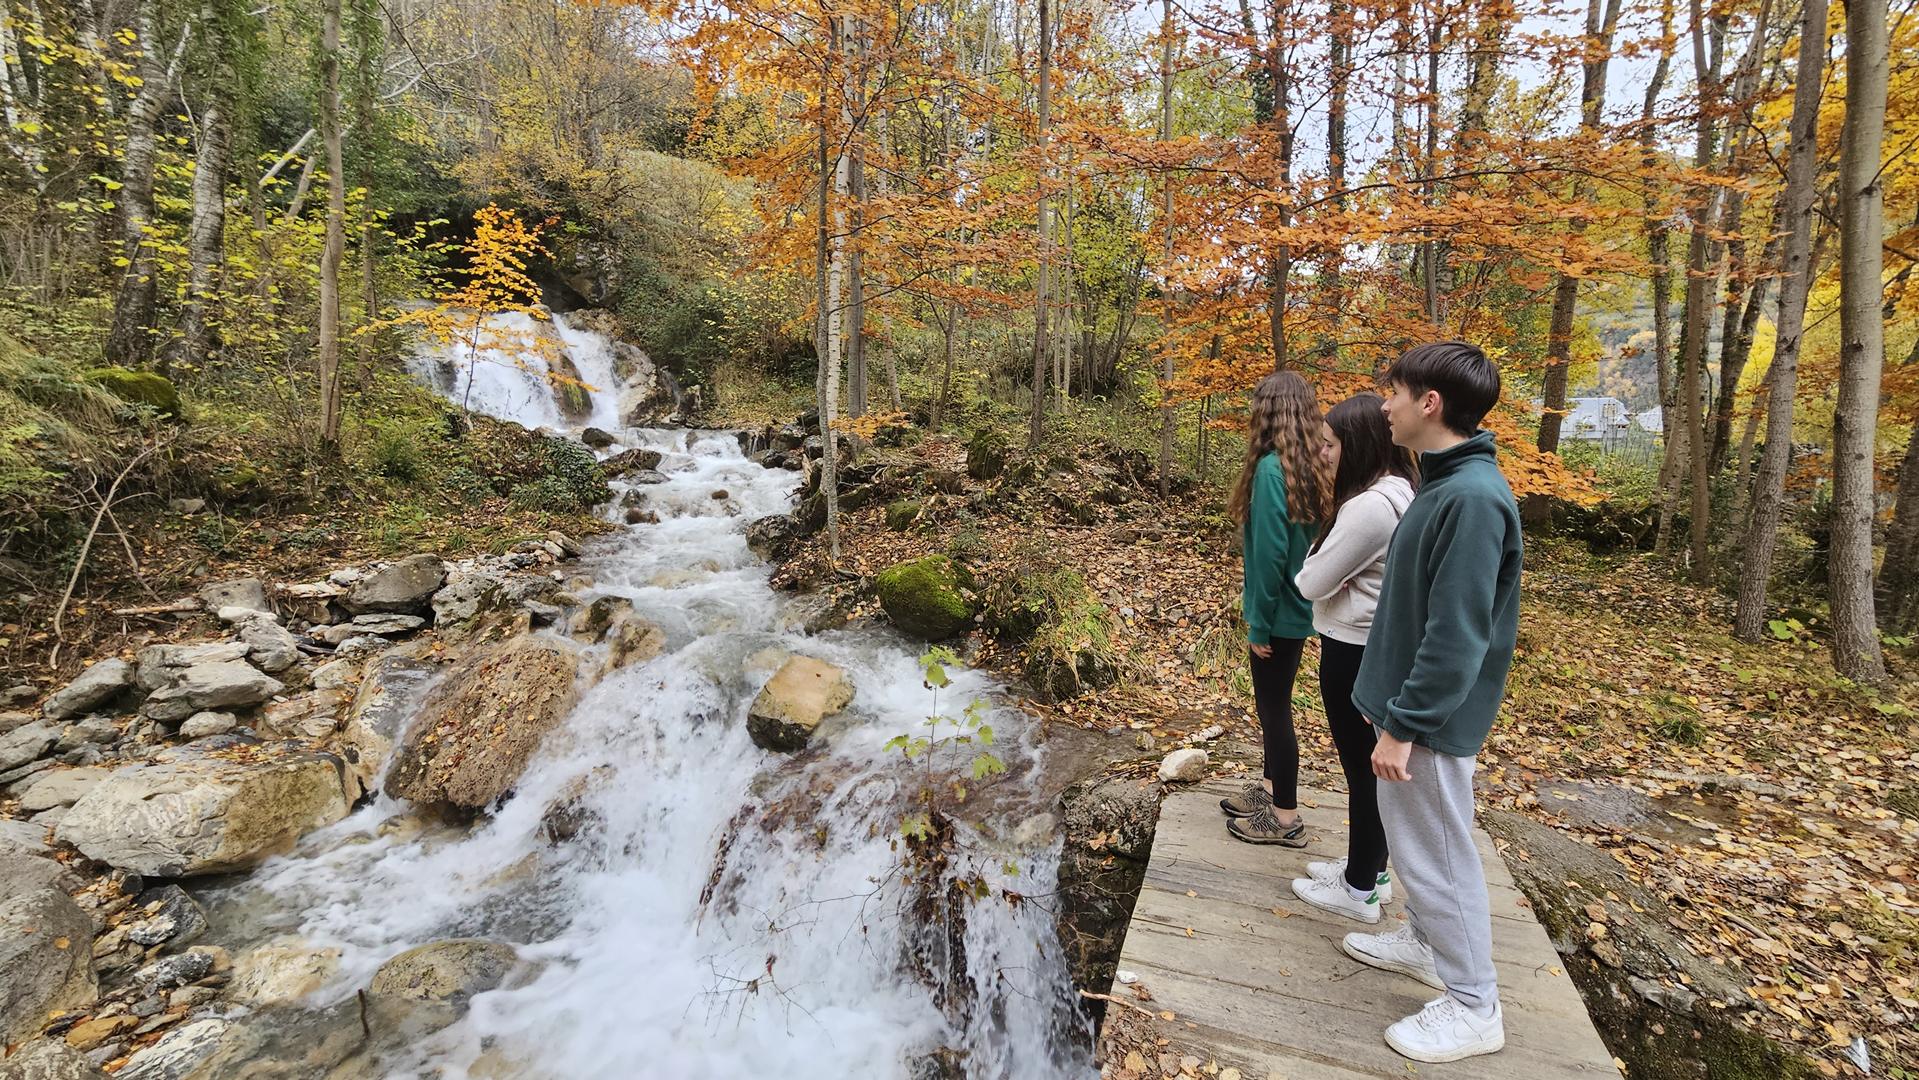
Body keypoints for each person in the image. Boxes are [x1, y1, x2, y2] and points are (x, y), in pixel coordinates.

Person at [1338, 341, 1522, 1064]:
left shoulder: (1472, 499)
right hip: (1406, 711)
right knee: (1417, 848)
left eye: (1395, 392)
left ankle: (1475, 1005)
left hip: (1429, 724)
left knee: (1439, 853)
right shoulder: (1441, 484)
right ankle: (1424, 942)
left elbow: (1457, 634)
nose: (1385, 405)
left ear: (1430, 403)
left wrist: (1404, 725)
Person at [1288, 393, 1417, 924]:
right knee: (1367, 767)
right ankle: (1371, 872)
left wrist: (1325, 570)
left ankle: (1359, 888)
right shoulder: (1402, 489)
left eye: (1331, 444)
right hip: (1374, 644)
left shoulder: (1368, 507)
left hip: (1353, 649)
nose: (1323, 454)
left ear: (1359, 445)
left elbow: (1310, 581)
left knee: (1362, 770)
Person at [1219, 371, 1331, 846]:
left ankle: (1285, 818)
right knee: (1275, 704)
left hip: (1280, 612)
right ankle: (1269, 790)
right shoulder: (1311, 465)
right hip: (1299, 607)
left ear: (1269, 412)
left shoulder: (1270, 469)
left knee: (1274, 710)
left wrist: (1259, 624)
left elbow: (1269, 556)